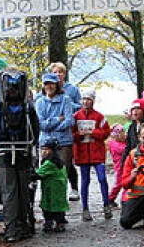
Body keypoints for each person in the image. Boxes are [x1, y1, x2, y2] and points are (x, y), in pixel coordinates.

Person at [0, 68, 40, 243]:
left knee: (9, 190)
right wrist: (32, 145)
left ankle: (11, 229)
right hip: (24, 151)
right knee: (23, 189)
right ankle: (24, 226)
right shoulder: (27, 104)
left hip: (4, 151)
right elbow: (36, 129)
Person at [35, 73, 77, 203]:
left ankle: (60, 206)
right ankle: (47, 204)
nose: (49, 86)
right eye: (46, 84)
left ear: (56, 85)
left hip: (63, 142)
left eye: (52, 84)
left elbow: (70, 121)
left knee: (61, 174)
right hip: (46, 143)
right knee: (47, 173)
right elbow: (41, 124)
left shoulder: (65, 100)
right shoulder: (40, 102)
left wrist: (50, 125)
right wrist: (58, 119)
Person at [72, 89, 111, 221]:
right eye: (83, 99)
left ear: (93, 101)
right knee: (85, 181)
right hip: (83, 154)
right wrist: (79, 135)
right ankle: (85, 208)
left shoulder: (99, 116)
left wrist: (93, 133)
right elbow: (71, 134)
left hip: (97, 153)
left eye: (88, 99)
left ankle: (106, 205)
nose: (85, 102)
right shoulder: (76, 116)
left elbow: (106, 132)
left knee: (102, 178)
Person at [35, 139, 69, 233]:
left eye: (47, 149)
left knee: (49, 207)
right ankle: (59, 221)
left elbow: (38, 174)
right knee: (59, 206)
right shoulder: (59, 161)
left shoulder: (50, 163)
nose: (44, 152)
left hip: (51, 189)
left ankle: (51, 222)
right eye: (42, 149)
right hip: (59, 188)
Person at [106, 124, 127, 207]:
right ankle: (110, 198)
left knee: (126, 183)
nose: (124, 135)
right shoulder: (114, 144)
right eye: (122, 133)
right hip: (119, 167)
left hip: (124, 166)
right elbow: (124, 149)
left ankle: (124, 199)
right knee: (118, 184)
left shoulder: (120, 142)